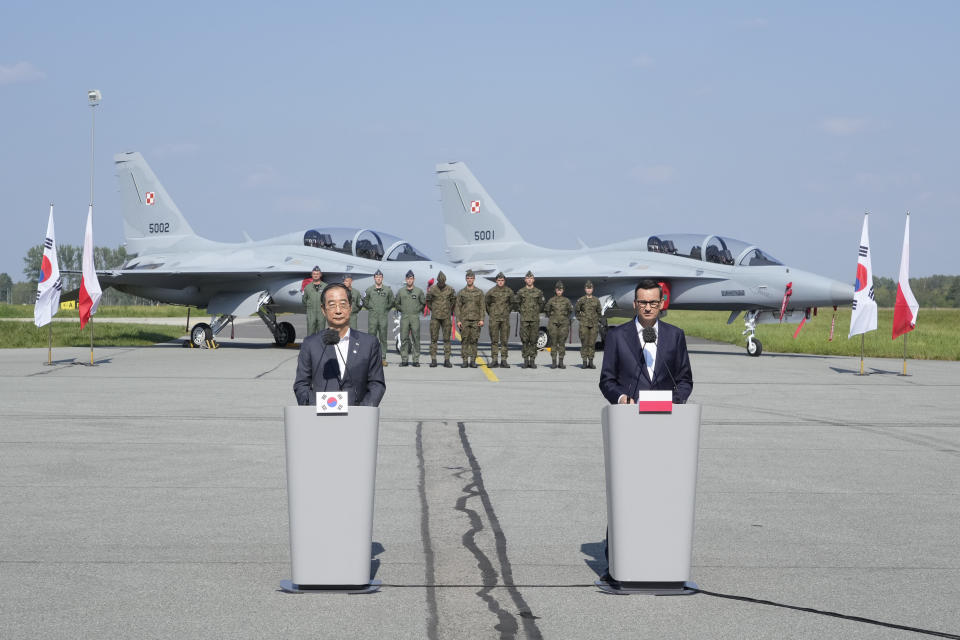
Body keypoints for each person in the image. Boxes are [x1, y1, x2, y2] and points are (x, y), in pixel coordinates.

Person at [599, 279, 693, 405]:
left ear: (661, 304)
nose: (648, 308)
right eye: (643, 303)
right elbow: (607, 380)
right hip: (630, 413)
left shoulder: (675, 335)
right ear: (635, 304)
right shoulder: (616, 336)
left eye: (653, 302)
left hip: (667, 413)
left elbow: (685, 380)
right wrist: (621, 398)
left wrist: (675, 400)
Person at [293, 282, 385, 407]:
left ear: (350, 307)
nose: (338, 311)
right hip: (320, 418)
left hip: (357, 418)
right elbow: (301, 384)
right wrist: (317, 407)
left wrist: (363, 411)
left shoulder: (369, 343)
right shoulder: (310, 344)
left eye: (343, 304)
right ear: (323, 310)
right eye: (332, 305)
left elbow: (377, 384)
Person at [362, 269, 394, 367]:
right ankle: (371, 359)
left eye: (380, 277)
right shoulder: (369, 290)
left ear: (382, 278)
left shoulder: (387, 290)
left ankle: (383, 358)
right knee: (371, 339)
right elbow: (364, 301)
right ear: (374, 278)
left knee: (383, 338)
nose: (378, 279)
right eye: (377, 277)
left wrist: (385, 309)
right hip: (373, 318)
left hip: (383, 318)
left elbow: (391, 301)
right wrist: (371, 308)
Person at [393, 269, 425, 367]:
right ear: (406, 280)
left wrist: (417, 310)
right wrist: (402, 309)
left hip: (415, 317)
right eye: (408, 279)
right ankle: (404, 360)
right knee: (404, 338)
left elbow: (423, 303)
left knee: (416, 338)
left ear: (413, 279)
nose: (409, 280)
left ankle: (415, 360)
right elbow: (396, 303)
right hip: (405, 317)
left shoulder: (418, 291)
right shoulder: (401, 291)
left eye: (411, 279)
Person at [425, 270, 456, 368]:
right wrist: (434, 309)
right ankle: (433, 360)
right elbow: (428, 300)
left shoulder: (450, 289)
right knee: (434, 339)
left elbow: (453, 301)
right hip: (435, 318)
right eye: (440, 282)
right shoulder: (433, 289)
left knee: (447, 340)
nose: (441, 283)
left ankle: (447, 360)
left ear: (445, 281)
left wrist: (448, 309)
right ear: (438, 281)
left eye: (443, 282)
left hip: (446, 317)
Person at [455, 269, 485, 368]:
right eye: (468, 278)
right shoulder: (461, 292)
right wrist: (458, 320)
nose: (469, 280)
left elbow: (482, 307)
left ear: (474, 279)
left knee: (474, 341)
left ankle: (473, 361)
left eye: (471, 278)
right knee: (464, 340)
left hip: (476, 320)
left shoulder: (479, 292)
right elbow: (458, 307)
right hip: (464, 320)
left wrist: (481, 319)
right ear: (466, 279)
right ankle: (464, 360)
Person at [514, 270, 545, 368]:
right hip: (524, 319)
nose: (529, 280)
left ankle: (532, 360)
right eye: (527, 278)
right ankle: (525, 360)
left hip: (535, 319)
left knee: (533, 340)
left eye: (531, 278)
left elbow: (541, 304)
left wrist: (535, 312)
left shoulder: (538, 292)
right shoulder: (521, 292)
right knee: (525, 340)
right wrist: (522, 311)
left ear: (533, 280)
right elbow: (516, 304)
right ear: (525, 280)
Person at [484, 272, 514, 368]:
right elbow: (486, 304)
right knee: (494, 340)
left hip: (504, 319)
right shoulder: (491, 292)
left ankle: (504, 360)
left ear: (504, 281)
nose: (500, 282)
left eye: (502, 280)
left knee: (504, 340)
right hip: (494, 319)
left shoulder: (509, 291)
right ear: (496, 281)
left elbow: (512, 303)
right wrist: (492, 313)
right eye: (499, 280)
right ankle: (494, 360)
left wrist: (506, 312)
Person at [544, 281, 573, 369]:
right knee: (553, 342)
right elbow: (547, 310)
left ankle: (561, 362)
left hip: (563, 324)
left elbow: (570, 311)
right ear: (555, 290)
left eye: (560, 290)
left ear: (562, 290)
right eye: (557, 290)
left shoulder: (567, 300)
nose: (559, 291)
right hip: (553, 323)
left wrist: (564, 318)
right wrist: (552, 317)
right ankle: (553, 362)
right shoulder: (551, 300)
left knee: (562, 343)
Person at [576, 280, 603, 369]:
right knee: (584, 343)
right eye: (587, 288)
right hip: (584, 324)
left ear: (592, 289)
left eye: (590, 288)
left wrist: (597, 320)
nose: (589, 290)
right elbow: (577, 311)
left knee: (592, 343)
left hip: (593, 325)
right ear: (585, 289)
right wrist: (581, 319)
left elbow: (599, 312)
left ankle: (591, 361)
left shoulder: (596, 300)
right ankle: (584, 361)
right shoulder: (581, 300)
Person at [302, 265, 327, 335]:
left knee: (321, 332)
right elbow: (304, 300)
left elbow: (328, 299)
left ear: (320, 275)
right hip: (311, 313)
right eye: (314, 274)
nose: (316, 275)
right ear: (312, 275)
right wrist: (310, 308)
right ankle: (310, 346)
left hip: (321, 313)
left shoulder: (325, 286)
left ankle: (321, 346)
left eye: (317, 274)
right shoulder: (307, 287)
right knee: (310, 332)